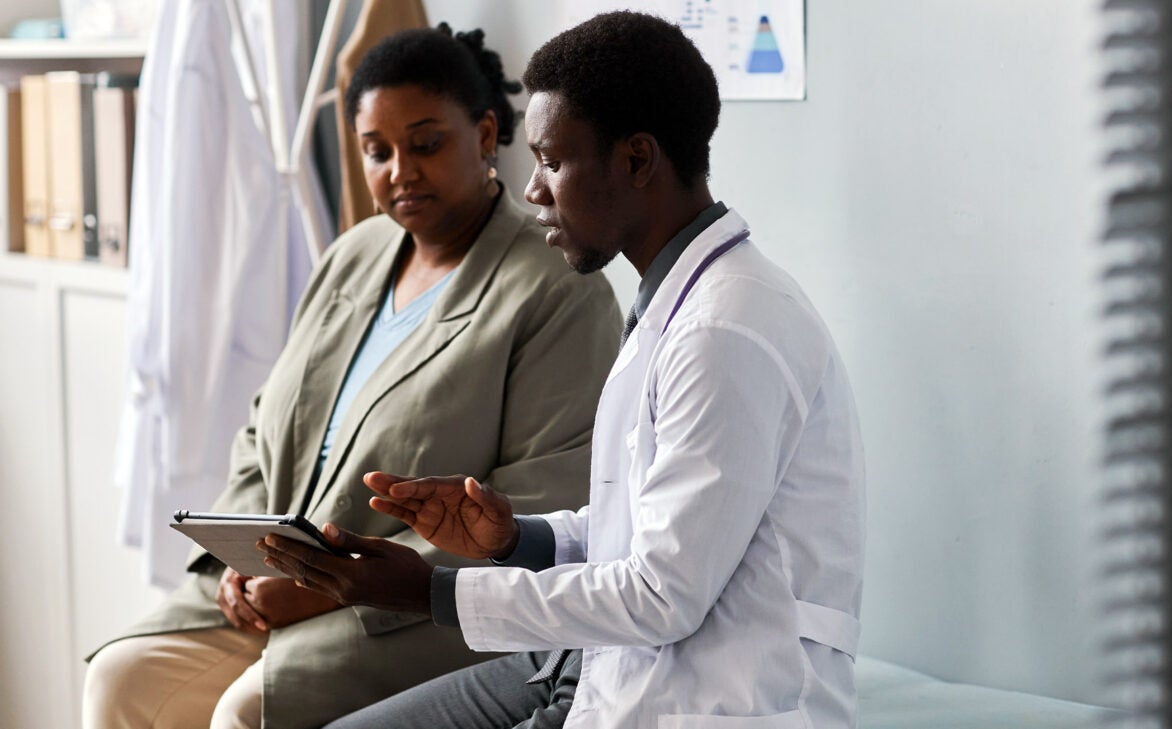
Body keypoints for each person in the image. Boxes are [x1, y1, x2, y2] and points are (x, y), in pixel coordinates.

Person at [261, 11, 865, 729]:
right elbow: (647, 526)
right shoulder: (676, 303)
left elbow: (660, 594)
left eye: (550, 160)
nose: (534, 190)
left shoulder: (725, 334)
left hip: (713, 697)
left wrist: (432, 590)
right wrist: (516, 538)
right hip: (613, 660)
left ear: (637, 161)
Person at [82, 25, 622, 729]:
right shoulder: (354, 255)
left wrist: (329, 585)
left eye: (425, 143)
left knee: (247, 712)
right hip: (275, 587)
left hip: (410, 610)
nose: (400, 170)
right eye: (377, 151)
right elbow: (261, 429)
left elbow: (540, 503)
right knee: (120, 677)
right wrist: (240, 556)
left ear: (486, 134)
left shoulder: (553, 288)